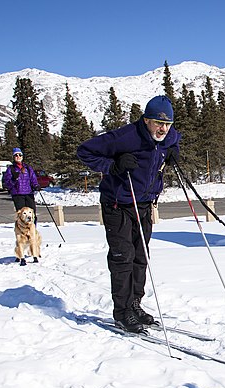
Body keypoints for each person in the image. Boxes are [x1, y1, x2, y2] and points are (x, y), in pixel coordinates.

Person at [77, 95, 180, 333]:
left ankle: (135, 304)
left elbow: (174, 142)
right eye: (157, 123)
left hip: (144, 204)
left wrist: (174, 152)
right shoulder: (125, 137)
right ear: (146, 120)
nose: (163, 129)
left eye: (167, 124)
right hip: (118, 205)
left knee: (140, 257)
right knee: (123, 257)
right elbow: (85, 152)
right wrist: (113, 166)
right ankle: (122, 313)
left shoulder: (169, 135)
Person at [2, 147, 41, 218]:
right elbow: (7, 184)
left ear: (22, 156)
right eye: (16, 155)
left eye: (20, 155)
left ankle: (32, 228)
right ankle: (22, 229)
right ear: (13, 157)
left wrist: (36, 185)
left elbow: (33, 178)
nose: (18, 157)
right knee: (22, 216)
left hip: (29, 193)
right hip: (18, 194)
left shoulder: (28, 168)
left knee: (32, 215)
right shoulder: (11, 169)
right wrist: (14, 179)